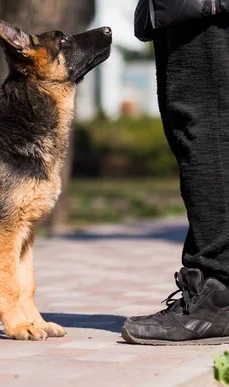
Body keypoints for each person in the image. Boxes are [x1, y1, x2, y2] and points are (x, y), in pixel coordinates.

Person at [122, 0, 229, 345]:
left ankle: (217, 293)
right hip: (179, 8)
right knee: (193, 133)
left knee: (205, 133)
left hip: (205, 8)